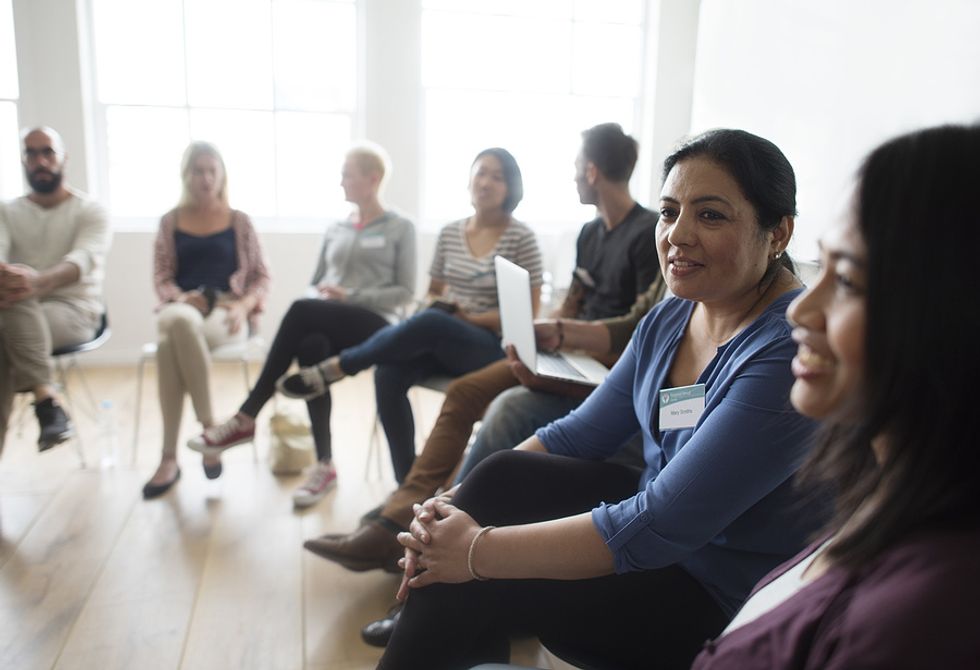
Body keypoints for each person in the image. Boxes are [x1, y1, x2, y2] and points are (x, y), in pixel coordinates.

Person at [379, 129, 824, 670]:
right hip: (652, 533)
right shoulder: (673, 316)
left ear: (777, 233)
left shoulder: (787, 354)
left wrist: (473, 550)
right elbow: (578, 435)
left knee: (474, 570)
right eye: (668, 211)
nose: (676, 235)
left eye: (710, 216)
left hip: (713, 596)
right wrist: (448, 507)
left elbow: (661, 525)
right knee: (500, 479)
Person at [302, 122, 660, 576]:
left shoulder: (648, 232)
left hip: (605, 366)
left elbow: (640, 326)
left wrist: (559, 332)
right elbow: (578, 299)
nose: (571, 176)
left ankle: (411, 526)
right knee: (461, 391)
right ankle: (404, 516)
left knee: (484, 397)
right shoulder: (591, 234)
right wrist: (551, 328)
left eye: (574, 167)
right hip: (568, 351)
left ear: (591, 172)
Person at [690, 125, 980, 668]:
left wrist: (477, 551)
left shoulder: (924, 619)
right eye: (823, 267)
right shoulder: (887, 491)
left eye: (846, 281)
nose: (800, 309)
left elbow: (666, 520)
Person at [278, 148, 542, 484]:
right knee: (388, 371)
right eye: (481, 172)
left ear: (511, 188)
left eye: (497, 176)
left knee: (433, 322)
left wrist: (467, 318)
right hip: (442, 337)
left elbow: (525, 316)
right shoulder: (450, 233)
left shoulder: (522, 238)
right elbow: (433, 292)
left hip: (490, 348)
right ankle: (408, 486)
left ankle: (339, 366)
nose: (486, 182)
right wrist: (441, 306)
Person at [187, 143, 416, 508]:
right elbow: (315, 282)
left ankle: (247, 414)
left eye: (347, 174)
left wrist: (350, 294)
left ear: (372, 180)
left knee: (299, 310)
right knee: (311, 346)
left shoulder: (400, 227)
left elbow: (405, 293)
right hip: (333, 318)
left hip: (380, 326)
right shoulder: (336, 229)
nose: (340, 182)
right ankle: (325, 465)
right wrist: (325, 297)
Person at [142, 141, 271, 499]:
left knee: (171, 342)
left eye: (212, 170)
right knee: (178, 325)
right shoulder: (170, 222)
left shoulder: (239, 221)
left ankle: (169, 458)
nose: (205, 178)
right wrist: (181, 298)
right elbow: (161, 277)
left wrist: (244, 305)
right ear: (186, 175)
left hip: (227, 312)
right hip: (183, 307)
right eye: (198, 171)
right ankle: (210, 428)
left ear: (222, 175)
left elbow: (262, 277)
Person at [0, 126, 111, 455]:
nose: (40, 160)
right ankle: (47, 400)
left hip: (74, 311)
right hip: (14, 308)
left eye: (47, 151)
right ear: (22, 160)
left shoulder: (90, 210)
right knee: (15, 306)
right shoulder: (6, 211)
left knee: (14, 307)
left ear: (63, 157)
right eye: (31, 153)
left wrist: (35, 282)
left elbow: (83, 260)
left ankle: (47, 401)